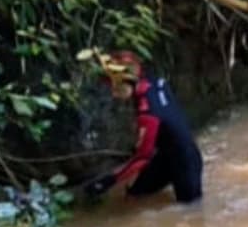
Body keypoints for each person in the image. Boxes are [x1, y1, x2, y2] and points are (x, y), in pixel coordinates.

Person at [84, 50, 204, 204]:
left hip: (186, 163)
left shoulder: (148, 113)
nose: (114, 94)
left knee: (190, 213)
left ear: (129, 83)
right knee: (135, 194)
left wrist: (109, 181)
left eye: (116, 88)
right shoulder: (155, 82)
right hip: (167, 156)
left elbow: (142, 157)